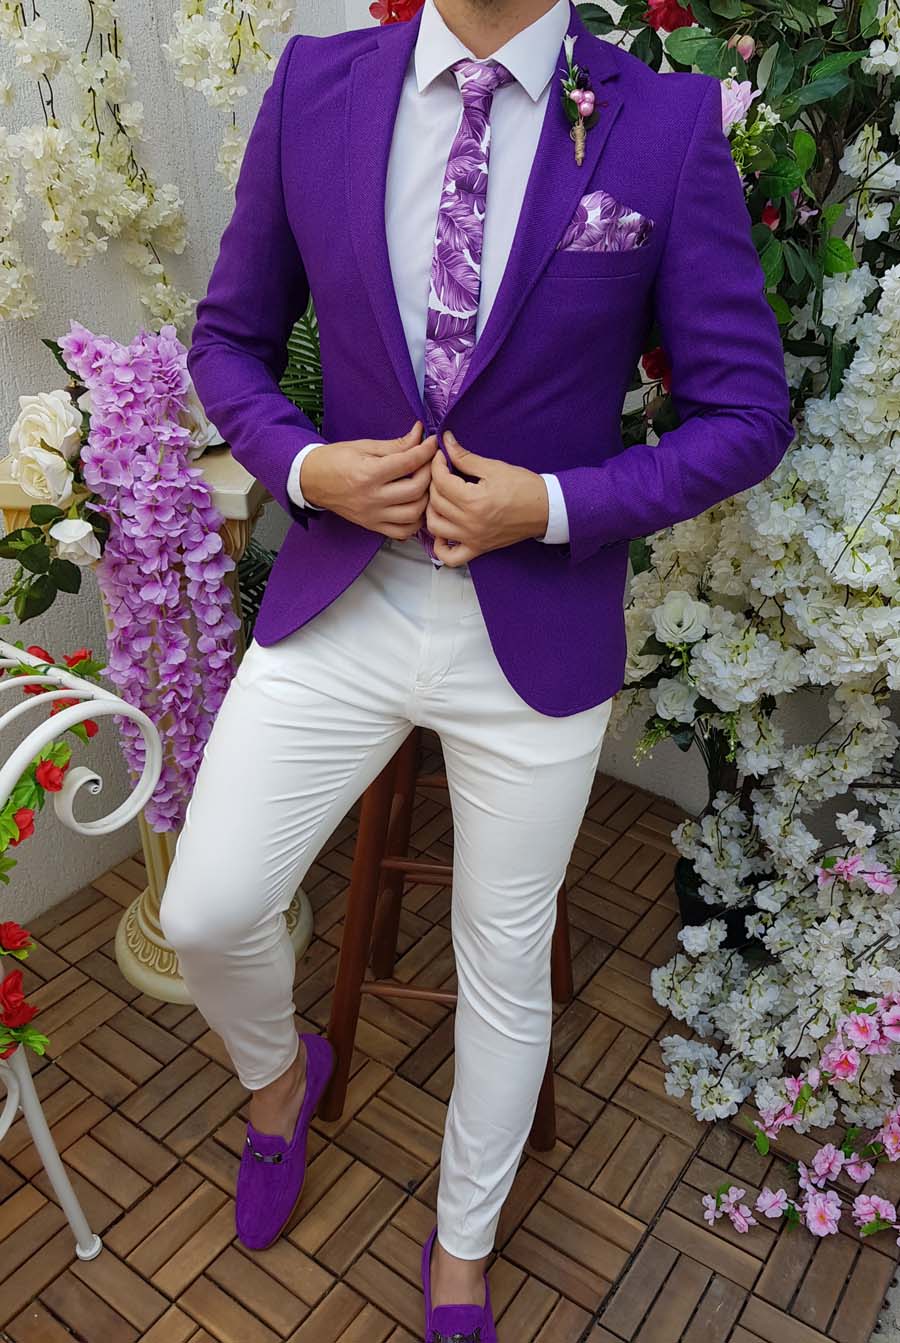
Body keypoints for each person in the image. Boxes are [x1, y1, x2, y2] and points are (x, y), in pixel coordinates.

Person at [159, 0, 795, 1337]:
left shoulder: (664, 120)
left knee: (502, 969)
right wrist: (305, 465)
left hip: (537, 621)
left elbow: (745, 410)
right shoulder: (318, 86)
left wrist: (553, 505)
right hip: (347, 596)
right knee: (206, 912)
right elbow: (227, 340)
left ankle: (462, 1248)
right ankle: (278, 1081)